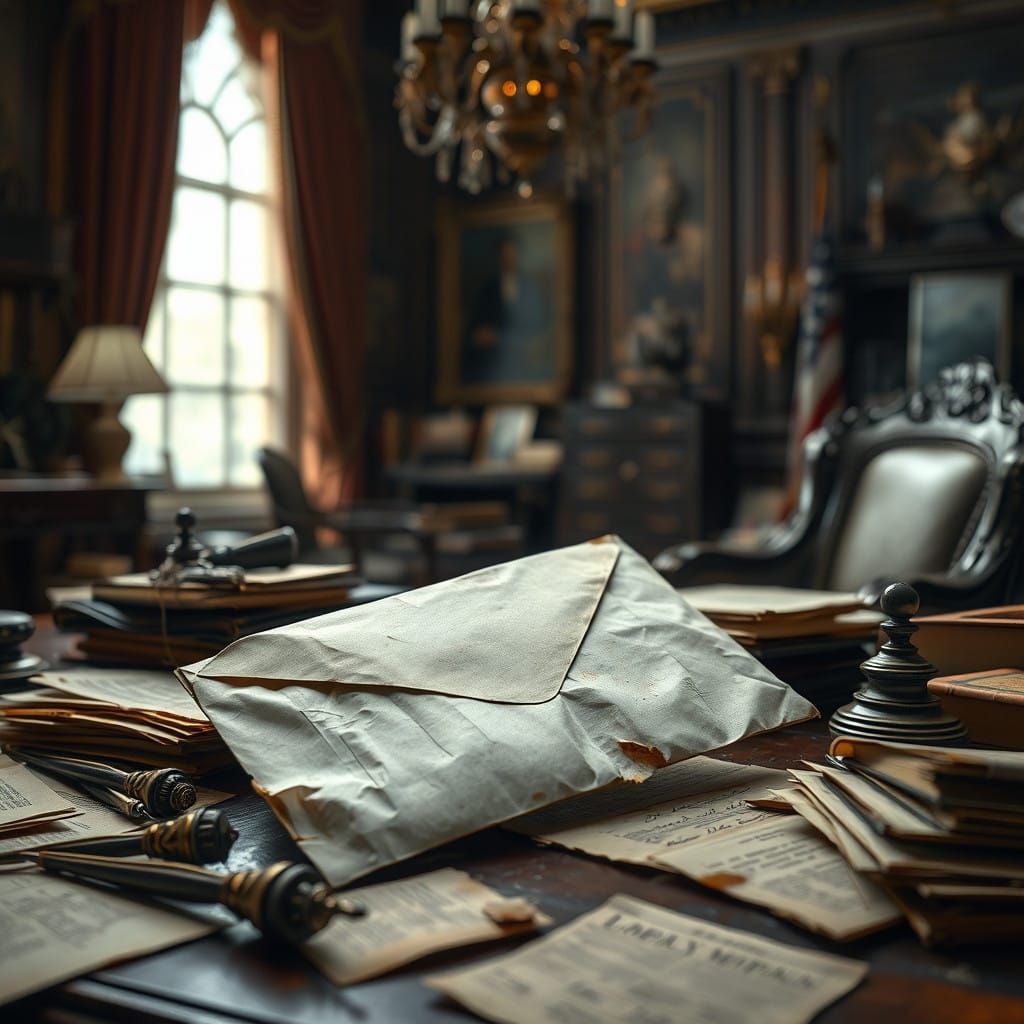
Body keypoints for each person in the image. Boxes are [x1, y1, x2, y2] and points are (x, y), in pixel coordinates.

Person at [462, 235, 551, 384]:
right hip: (492, 368)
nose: (508, 259)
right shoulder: (487, 289)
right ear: (498, 257)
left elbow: (538, 331)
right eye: (504, 255)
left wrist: (501, 338)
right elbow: (477, 332)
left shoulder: (531, 290)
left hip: (524, 365)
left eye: (511, 254)